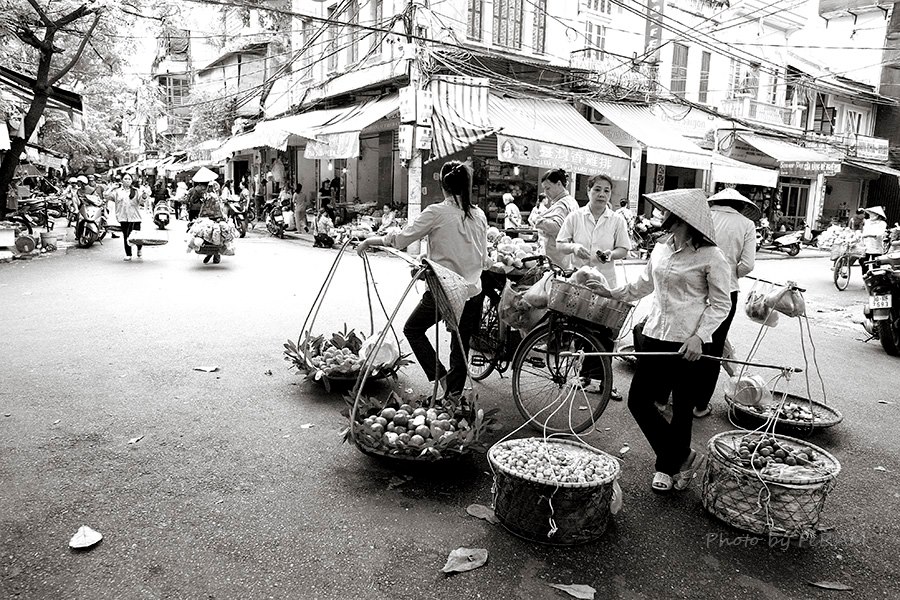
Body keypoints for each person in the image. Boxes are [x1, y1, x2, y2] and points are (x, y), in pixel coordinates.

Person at [594, 188, 731, 493]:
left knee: (681, 407)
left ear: (680, 218)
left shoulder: (711, 255)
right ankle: (682, 457)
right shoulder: (660, 249)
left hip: (688, 342)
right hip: (655, 334)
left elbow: (721, 303)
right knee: (639, 401)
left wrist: (700, 336)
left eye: (664, 212)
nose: (659, 216)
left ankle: (666, 468)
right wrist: (610, 293)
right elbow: (643, 285)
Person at [356, 160, 488, 399]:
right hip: (473, 290)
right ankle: (454, 393)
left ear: (443, 186)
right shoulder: (478, 214)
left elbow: (400, 239)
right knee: (461, 343)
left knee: (413, 329)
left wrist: (369, 241)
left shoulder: (436, 212)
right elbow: (481, 256)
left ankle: (442, 378)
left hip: (445, 290)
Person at [692, 188, 758, 418]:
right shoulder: (747, 224)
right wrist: (730, 273)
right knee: (713, 347)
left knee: (689, 339)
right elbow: (748, 264)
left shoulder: (703, 216)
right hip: (726, 291)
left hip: (695, 287)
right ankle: (700, 405)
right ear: (740, 206)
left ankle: (677, 395)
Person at [556, 174, 630, 286]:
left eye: (606, 191)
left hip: (605, 281)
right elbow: (560, 244)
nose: (602, 194)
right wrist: (574, 247)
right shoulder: (575, 216)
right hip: (578, 279)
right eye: (597, 189)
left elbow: (623, 249)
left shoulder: (617, 220)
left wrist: (611, 254)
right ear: (588, 191)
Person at [533, 169, 579, 268]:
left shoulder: (562, 204)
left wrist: (539, 221)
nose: (545, 192)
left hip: (557, 259)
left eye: (548, 188)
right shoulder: (571, 201)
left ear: (559, 184)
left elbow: (558, 228)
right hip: (565, 257)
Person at [106, 173, 145, 261]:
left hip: (135, 217)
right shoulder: (117, 192)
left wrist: (144, 196)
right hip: (123, 217)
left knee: (137, 236)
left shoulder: (136, 191)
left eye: (129, 179)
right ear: (122, 180)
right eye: (125, 179)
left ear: (132, 181)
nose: (127, 180)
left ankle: (139, 249)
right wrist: (111, 188)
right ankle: (128, 254)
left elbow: (141, 201)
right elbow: (106, 196)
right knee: (126, 236)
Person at [861, 206, 888, 275]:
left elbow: (880, 233)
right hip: (866, 245)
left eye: (873, 213)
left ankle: (875, 280)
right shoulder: (867, 222)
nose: (871, 215)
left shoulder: (882, 223)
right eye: (871, 213)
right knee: (863, 262)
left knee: (875, 263)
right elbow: (864, 231)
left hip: (876, 245)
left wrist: (869, 235)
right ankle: (865, 277)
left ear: (877, 215)